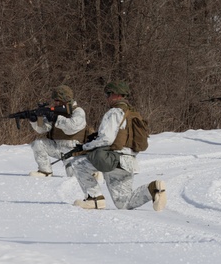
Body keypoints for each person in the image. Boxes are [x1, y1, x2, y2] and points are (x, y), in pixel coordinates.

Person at [71, 81, 166, 211]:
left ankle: (94, 199)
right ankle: (152, 189)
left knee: (78, 163)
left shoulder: (113, 113)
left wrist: (84, 147)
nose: (107, 98)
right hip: (128, 162)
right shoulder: (134, 114)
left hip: (113, 159)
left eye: (108, 94)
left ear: (115, 95)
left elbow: (106, 139)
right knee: (124, 203)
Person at [28, 85, 92, 177]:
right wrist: (36, 120)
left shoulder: (78, 111)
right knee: (38, 144)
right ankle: (45, 172)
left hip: (73, 150)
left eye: (58, 100)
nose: (55, 103)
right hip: (57, 148)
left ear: (66, 99)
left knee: (74, 177)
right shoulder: (56, 112)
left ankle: (93, 173)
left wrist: (56, 118)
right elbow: (42, 129)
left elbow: (72, 127)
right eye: (55, 100)